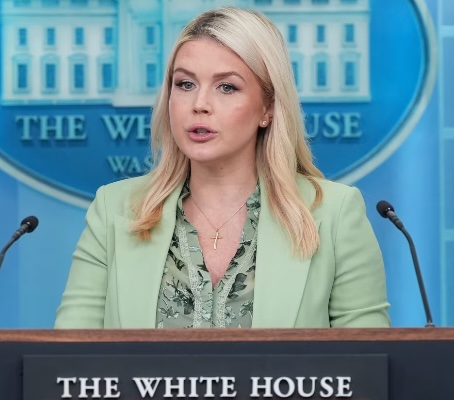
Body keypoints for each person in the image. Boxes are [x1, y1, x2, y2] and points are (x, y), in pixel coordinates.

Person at [55, 7, 390, 329]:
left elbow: (368, 360)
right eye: (185, 84)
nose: (199, 104)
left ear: (268, 108)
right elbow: (68, 357)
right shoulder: (113, 209)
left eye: (227, 87)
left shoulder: (335, 214)